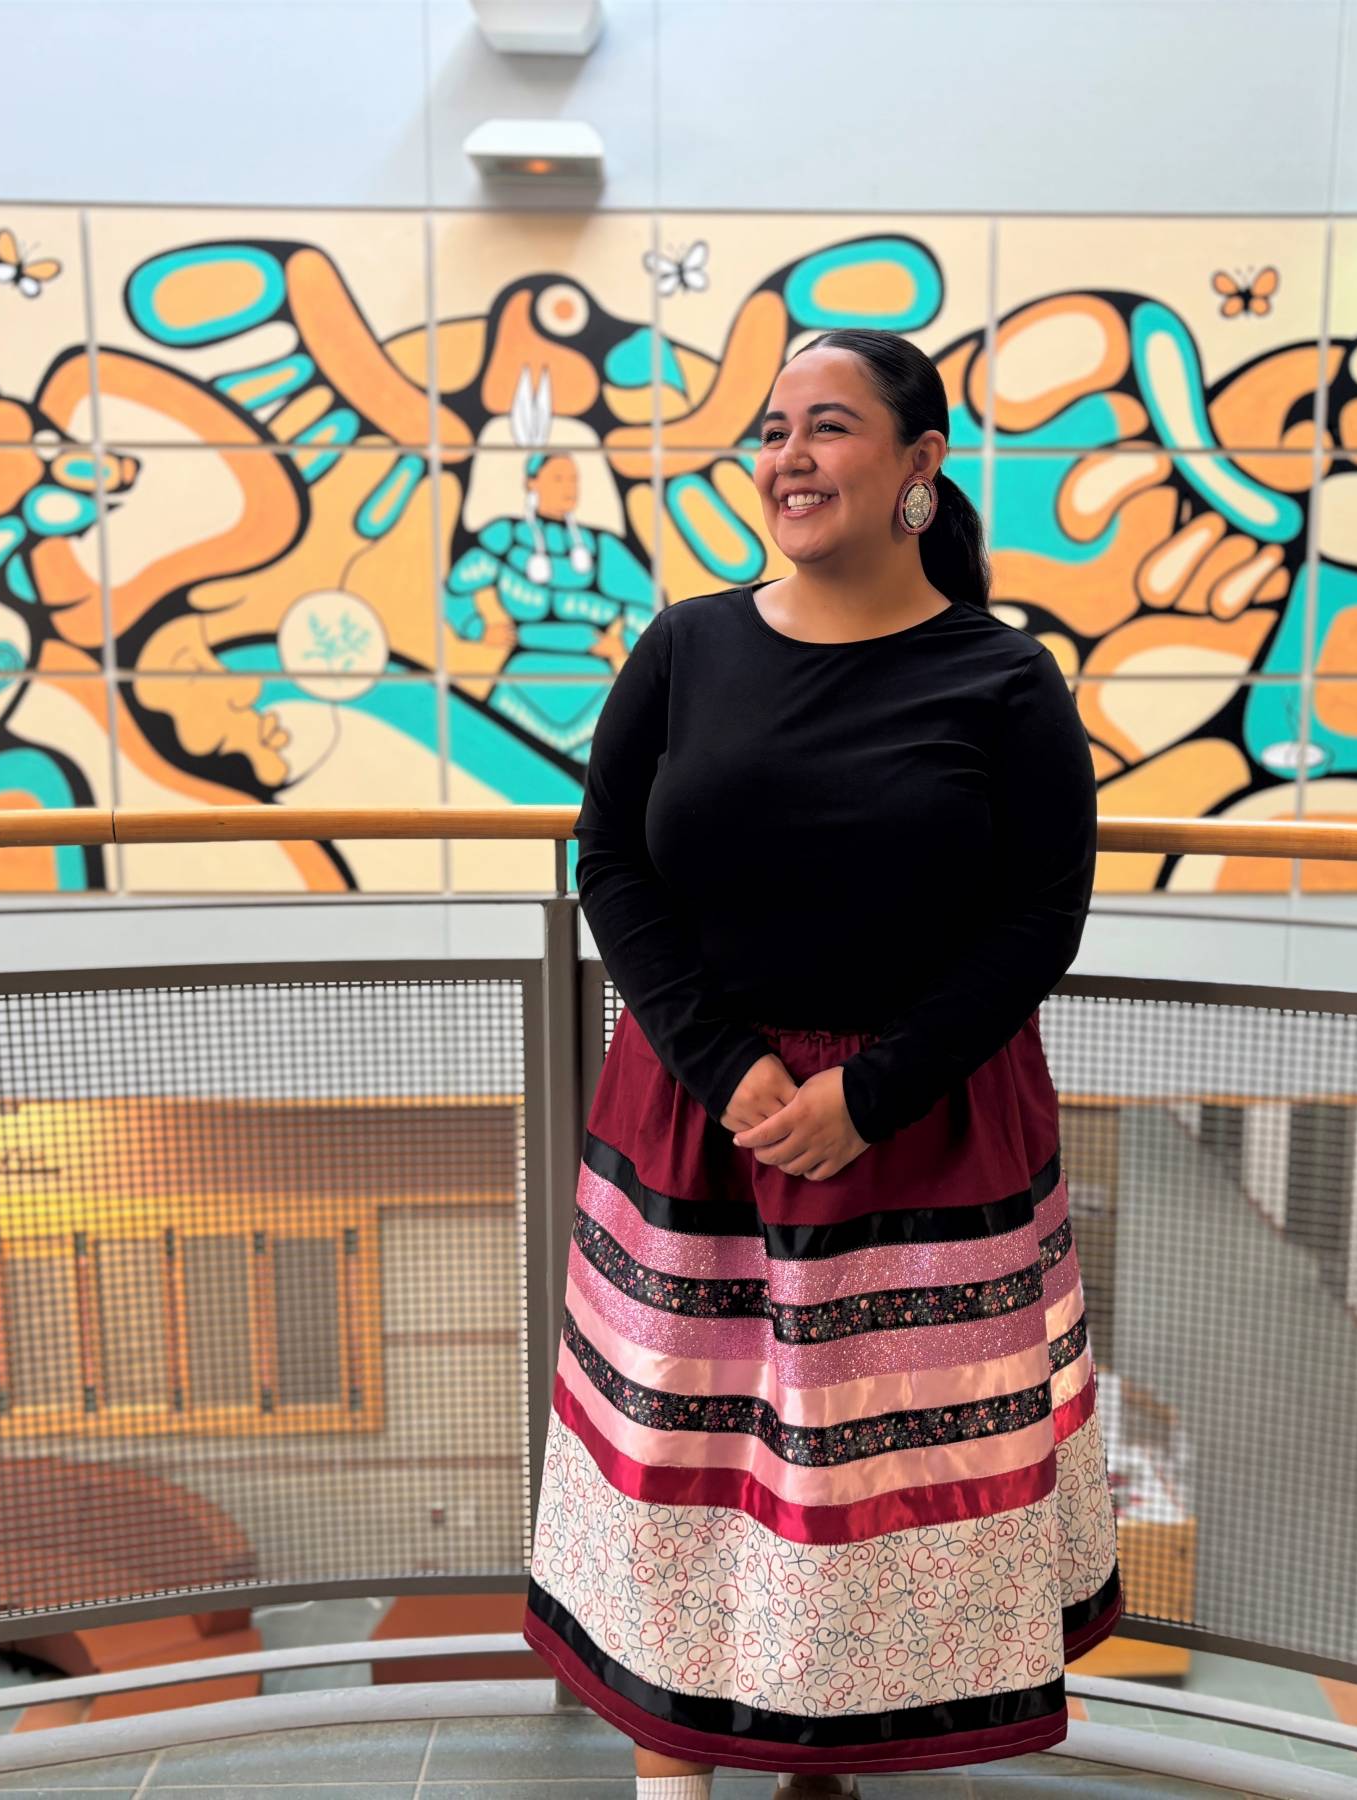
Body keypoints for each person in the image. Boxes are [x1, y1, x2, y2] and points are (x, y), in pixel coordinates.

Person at [520, 328, 1122, 1800]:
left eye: (830, 427)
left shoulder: (1001, 681)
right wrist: (728, 1068)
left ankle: (823, 1760)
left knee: (867, 1475)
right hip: (695, 1122)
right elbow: (608, 861)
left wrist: (871, 1093)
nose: (788, 458)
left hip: (918, 1136)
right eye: (773, 430)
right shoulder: (687, 646)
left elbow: (1042, 917)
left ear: (921, 465)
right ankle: (680, 1773)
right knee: (690, 1461)